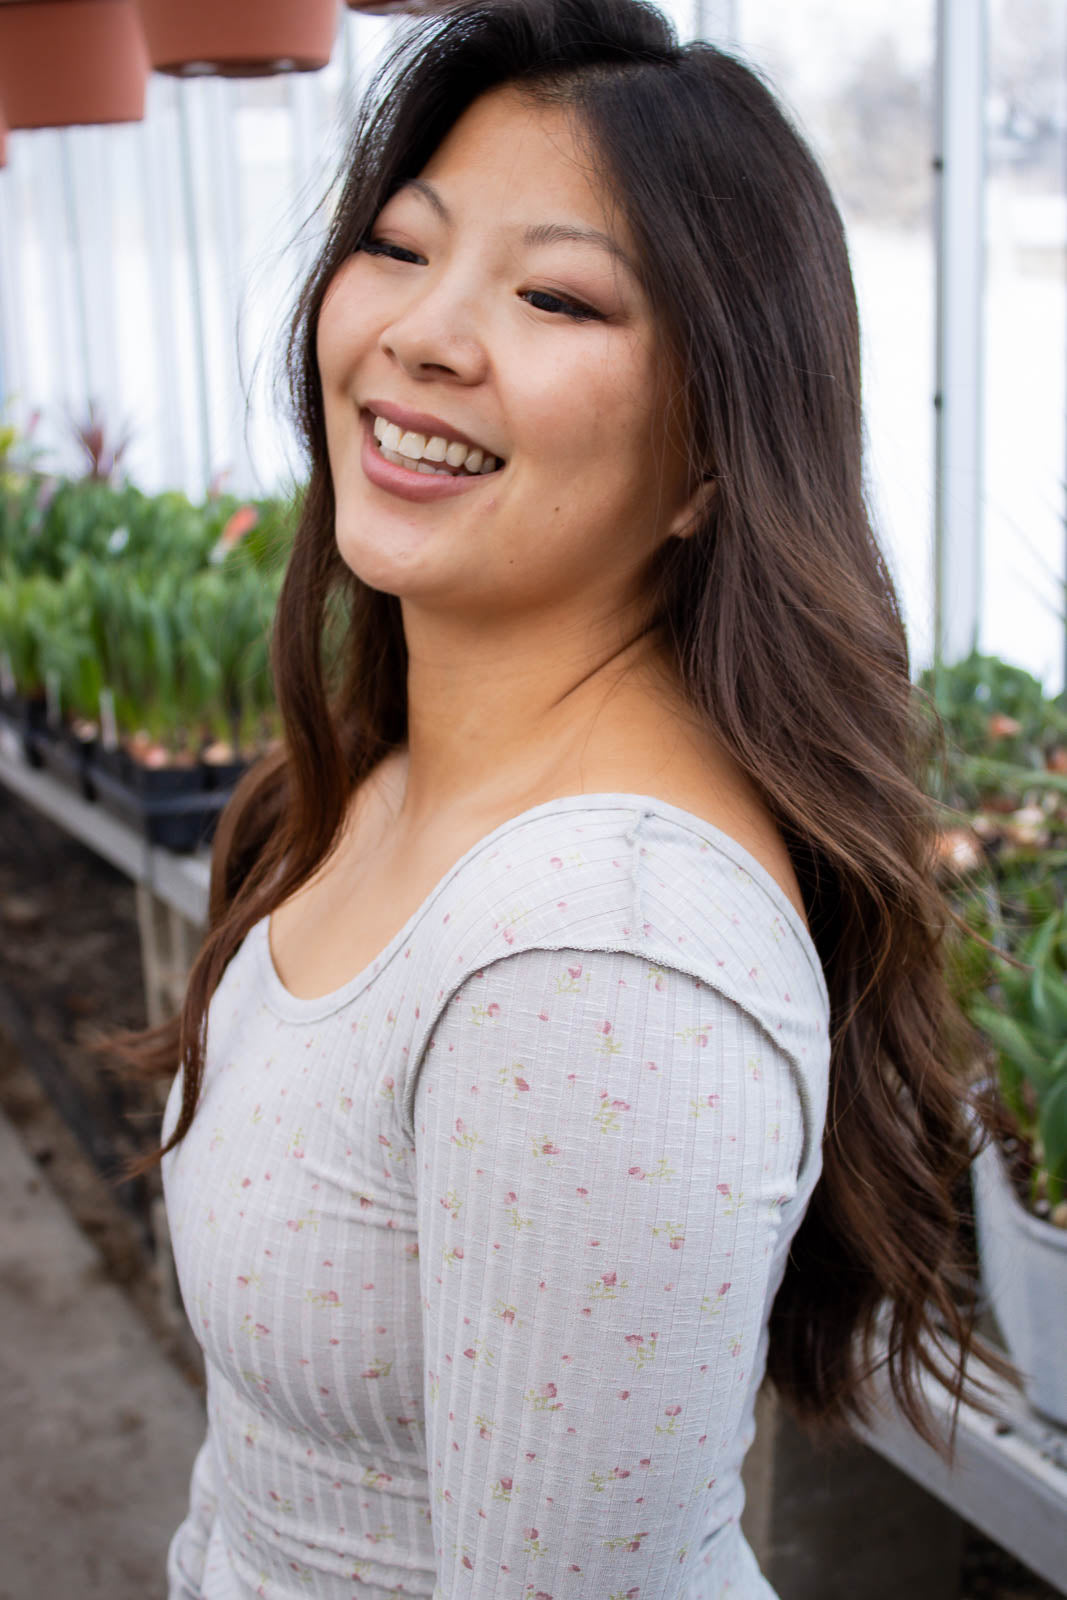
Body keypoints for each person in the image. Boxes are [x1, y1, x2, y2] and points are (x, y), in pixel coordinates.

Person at [113, 1, 1010, 1594]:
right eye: (401, 247)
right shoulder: (398, 782)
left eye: (556, 295)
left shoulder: (601, 960)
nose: (425, 332)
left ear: (714, 455)